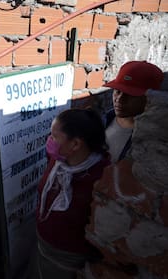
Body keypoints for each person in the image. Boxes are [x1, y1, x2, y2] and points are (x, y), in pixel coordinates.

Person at [30, 108, 110, 279]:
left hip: (69, 261)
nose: (49, 140)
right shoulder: (58, 160)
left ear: (75, 144)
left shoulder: (102, 178)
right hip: (43, 245)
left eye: (54, 137)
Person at [103, 61, 164, 163]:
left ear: (149, 98)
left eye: (130, 95)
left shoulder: (153, 140)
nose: (120, 99)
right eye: (117, 91)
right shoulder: (103, 121)